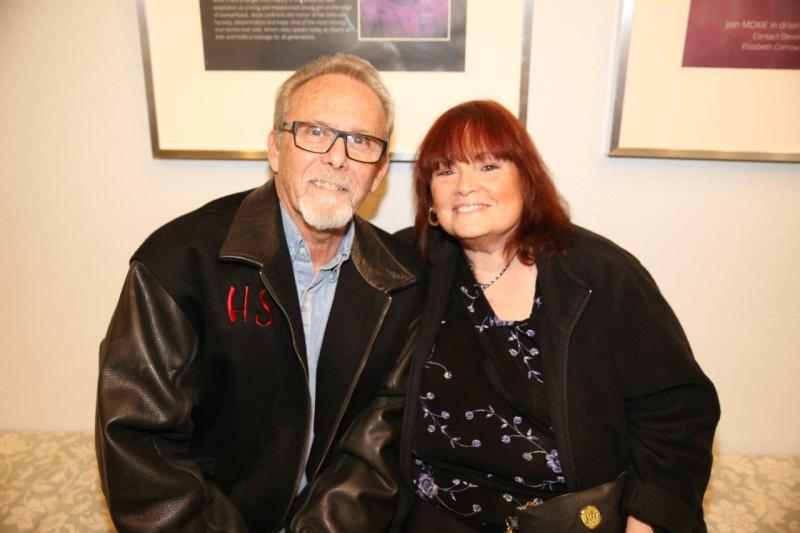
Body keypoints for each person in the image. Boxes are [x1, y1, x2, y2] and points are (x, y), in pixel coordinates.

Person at [95, 53, 423, 533]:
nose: (337, 157)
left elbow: (378, 455)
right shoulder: (179, 262)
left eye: (361, 141)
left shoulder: (401, 284)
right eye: (314, 132)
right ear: (274, 149)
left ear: (378, 171)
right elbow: (140, 449)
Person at [395, 100, 720, 532]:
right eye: (445, 171)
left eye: (488, 167)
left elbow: (676, 412)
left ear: (526, 181)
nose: (464, 186)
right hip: (439, 512)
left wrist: (648, 520)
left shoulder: (600, 274)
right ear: (429, 196)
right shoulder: (408, 269)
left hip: (573, 518)